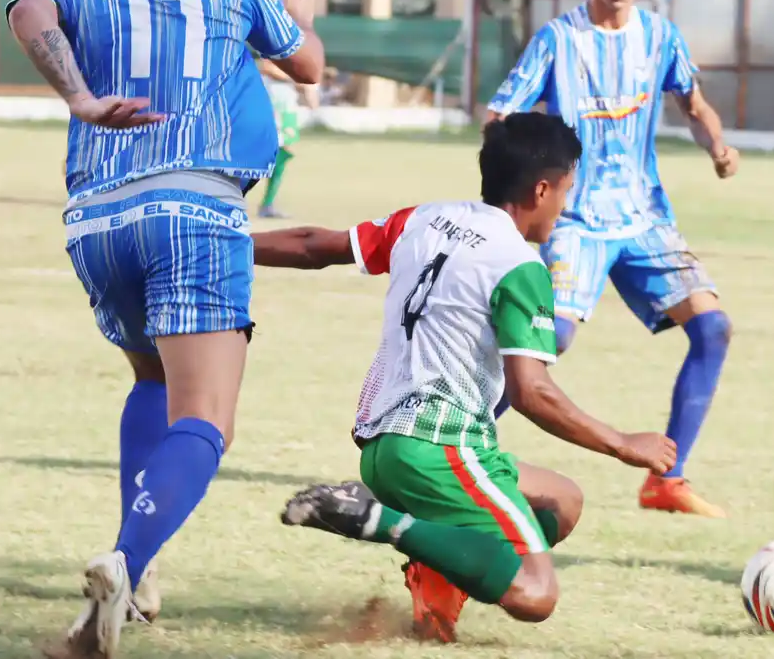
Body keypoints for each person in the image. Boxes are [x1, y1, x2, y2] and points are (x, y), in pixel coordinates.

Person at [5, 0, 325, 657]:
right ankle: (127, 560)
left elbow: (26, 12)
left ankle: (138, 578)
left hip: (98, 221)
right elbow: (309, 64)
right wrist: (300, 10)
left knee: (151, 377)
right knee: (205, 417)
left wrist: (81, 98)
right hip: (194, 209)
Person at [251, 112, 677, 642]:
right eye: (566, 191)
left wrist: (234, 243)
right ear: (541, 190)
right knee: (536, 594)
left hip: (384, 446)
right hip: (441, 449)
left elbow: (316, 246)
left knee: (562, 501)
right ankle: (376, 519)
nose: (565, 206)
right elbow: (531, 391)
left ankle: (435, 576)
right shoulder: (519, 266)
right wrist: (623, 444)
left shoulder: (424, 219)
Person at [484, 0, 738, 519]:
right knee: (549, 338)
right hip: (576, 221)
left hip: (644, 218)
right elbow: (499, 118)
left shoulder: (661, 37)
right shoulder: (558, 40)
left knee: (713, 328)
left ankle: (667, 480)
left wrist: (718, 146)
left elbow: (694, 103)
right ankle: (448, 444)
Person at [256, 57, 302, 218]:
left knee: (283, 155)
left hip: (285, 112)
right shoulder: (274, 50)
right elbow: (265, 66)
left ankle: (267, 204)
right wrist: (293, 78)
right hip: (272, 111)